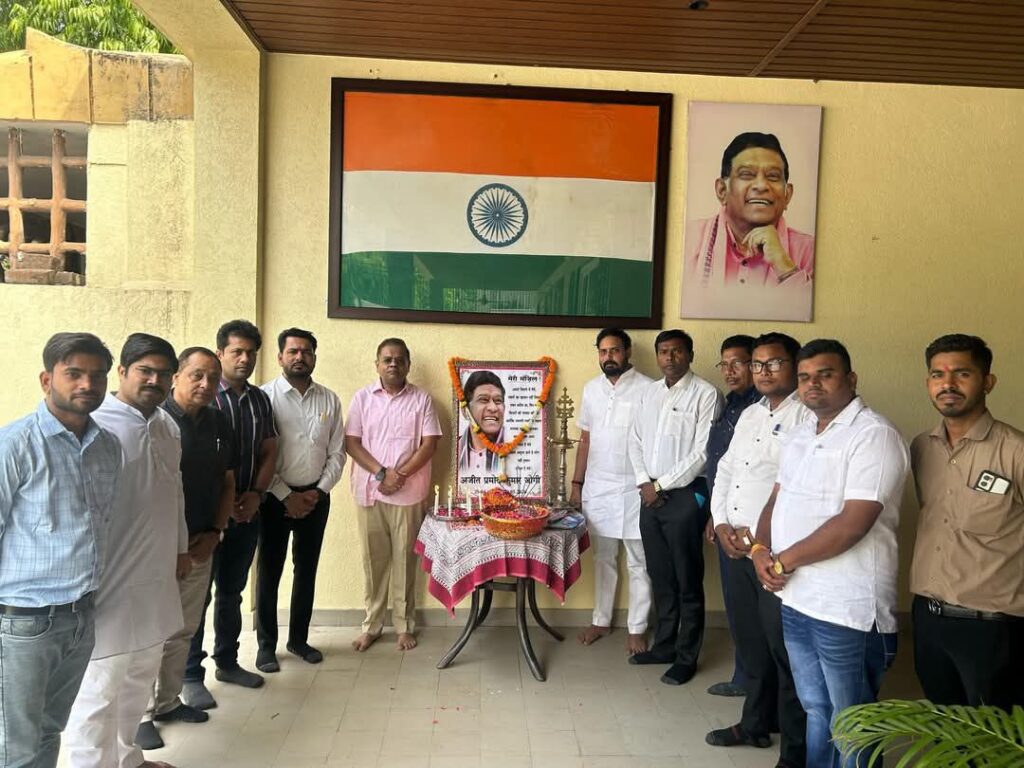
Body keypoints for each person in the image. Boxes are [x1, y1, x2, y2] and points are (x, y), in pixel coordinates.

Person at [752, 339, 908, 768]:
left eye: (825, 374)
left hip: (847, 610)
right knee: (817, 710)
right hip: (796, 599)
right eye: (804, 377)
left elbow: (853, 524)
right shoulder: (801, 432)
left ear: (851, 379)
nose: (812, 384)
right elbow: (776, 498)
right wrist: (760, 549)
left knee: (853, 721)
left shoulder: (874, 435)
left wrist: (782, 561)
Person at [64, 333, 189, 768]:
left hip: (157, 575)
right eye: (145, 371)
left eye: (163, 374)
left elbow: (175, 492)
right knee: (101, 685)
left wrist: (180, 549)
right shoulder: (96, 425)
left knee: (140, 675)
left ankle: (128, 758)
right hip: (110, 580)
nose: (154, 381)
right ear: (121, 372)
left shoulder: (167, 425)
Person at [0, 333, 121, 768]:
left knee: (51, 729)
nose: (87, 384)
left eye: (97, 375)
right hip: (24, 623)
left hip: (81, 616)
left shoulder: (107, 447)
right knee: (14, 746)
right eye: (74, 374)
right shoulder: (14, 444)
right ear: (46, 379)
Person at [706, 333, 809, 768]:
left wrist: (760, 541)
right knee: (752, 643)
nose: (763, 372)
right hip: (737, 547)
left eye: (774, 363)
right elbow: (726, 469)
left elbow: (797, 489)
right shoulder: (750, 413)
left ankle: (796, 748)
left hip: (776, 554)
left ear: (795, 365)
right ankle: (755, 723)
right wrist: (721, 523)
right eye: (758, 365)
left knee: (785, 652)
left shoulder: (808, 416)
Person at [909, 334, 1023, 710]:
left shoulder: (1016, 452)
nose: (948, 384)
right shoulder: (922, 448)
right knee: (945, 728)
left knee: (997, 734)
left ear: (988, 381)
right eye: (937, 374)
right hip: (928, 619)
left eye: (962, 373)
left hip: (994, 627)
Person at [134, 347, 235, 751]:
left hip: (200, 544)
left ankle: (167, 702)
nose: (206, 385)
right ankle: (140, 714)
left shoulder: (218, 421)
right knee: (148, 634)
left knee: (182, 629)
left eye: (213, 378)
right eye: (197, 375)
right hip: (156, 549)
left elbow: (228, 482)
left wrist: (216, 531)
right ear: (176, 376)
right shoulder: (156, 421)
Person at [182, 320, 277, 707]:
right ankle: (190, 674)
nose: (244, 359)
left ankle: (227, 661)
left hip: (247, 511)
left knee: (231, 593)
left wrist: (255, 495)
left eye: (251, 353)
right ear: (221, 352)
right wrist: (225, 505)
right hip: (207, 518)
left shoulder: (259, 400)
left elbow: (269, 450)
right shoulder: (204, 397)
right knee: (196, 597)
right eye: (237, 351)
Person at [627, 329, 722, 685]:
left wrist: (660, 485)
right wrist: (645, 482)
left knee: (686, 577)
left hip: (684, 495)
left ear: (690, 355)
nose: (670, 357)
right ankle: (664, 646)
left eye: (677, 351)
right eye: (664, 351)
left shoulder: (706, 394)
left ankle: (686, 656)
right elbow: (635, 440)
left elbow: (702, 453)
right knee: (660, 574)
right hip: (648, 492)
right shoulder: (649, 393)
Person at [255, 328, 345, 672]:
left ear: (314, 357)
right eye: (292, 351)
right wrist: (286, 495)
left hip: (315, 498)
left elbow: (337, 453)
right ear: (280, 357)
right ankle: (266, 646)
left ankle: (299, 640)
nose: (299, 357)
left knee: (306, 571)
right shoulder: (265, 398)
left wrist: (318, 492)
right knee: (269, 572)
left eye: (306, 351)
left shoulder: (329, 400)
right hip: (274, 499)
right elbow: (261, 455)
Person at [345, 338, 441, 652]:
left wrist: (399, 476)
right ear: (377, 364)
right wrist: (382, 474)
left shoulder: (422, 400)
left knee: (404, 561)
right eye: (387, 359)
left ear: (408, 365)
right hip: (370, 492)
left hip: (408, 494)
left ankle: (404, 625)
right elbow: (352, 443)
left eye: (399, 359)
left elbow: (429, 444)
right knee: (373, 562)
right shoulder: (362, 398)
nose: (393, 364)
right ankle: (371, 625)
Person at [570, 328, 653, 655]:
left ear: (627, 351)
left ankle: (637, 627)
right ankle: (601, 620)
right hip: (599, 487)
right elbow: (585, 440)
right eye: (603, 351)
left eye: (614, 350)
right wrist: (576, 484)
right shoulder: (592, 389)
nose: (608, 357)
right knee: (603, 558)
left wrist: (651, 484)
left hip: (636, 488)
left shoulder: (648, 388)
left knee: (639, 562)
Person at [681, 132, 815, 322]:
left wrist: (784, 266)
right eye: (747, 175)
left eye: (773, 176)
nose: (761, 185)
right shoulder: (689, 240)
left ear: (787, 195)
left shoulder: (811, 251)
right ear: (722, 191)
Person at [704, 334, 758, 697]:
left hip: (756, 526)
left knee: (758, 607)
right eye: (724, 364)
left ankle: (757, 681)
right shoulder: (732, 405)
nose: (729, 371)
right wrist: (716, 515)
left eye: (737, 363)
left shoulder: (763, 408)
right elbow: (722, 468)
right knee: (738, 605)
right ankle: (745, 676)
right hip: (725, 518)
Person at [456, 370, 505, 473]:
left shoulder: (517, 448)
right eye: (483, 400)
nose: (493, 408)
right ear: (465, 411)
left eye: (498, 401)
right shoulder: (455, 449)